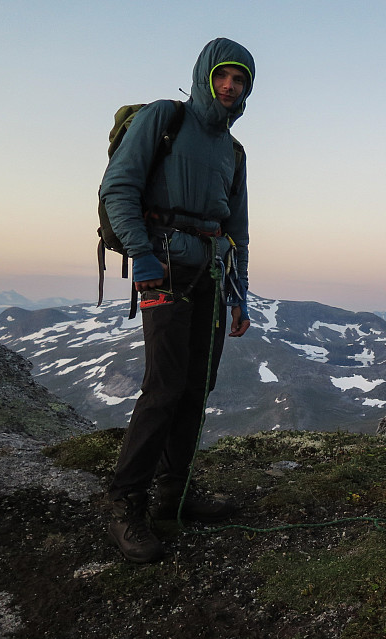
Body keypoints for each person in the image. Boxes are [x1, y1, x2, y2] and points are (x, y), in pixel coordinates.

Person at [99, 38, 255, 563]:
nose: (230, 87)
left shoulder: (234, 152)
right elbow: (118, 187)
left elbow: (238, 229)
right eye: (223, 77)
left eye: (240, 80)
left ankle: (175, 495)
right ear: (205, 76)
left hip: (211, 272)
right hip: (162, 265)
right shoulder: (165, 118)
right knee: (164, 388)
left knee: (195, 387)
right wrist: (140, 256)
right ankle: (126, 504)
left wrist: (240, 293)